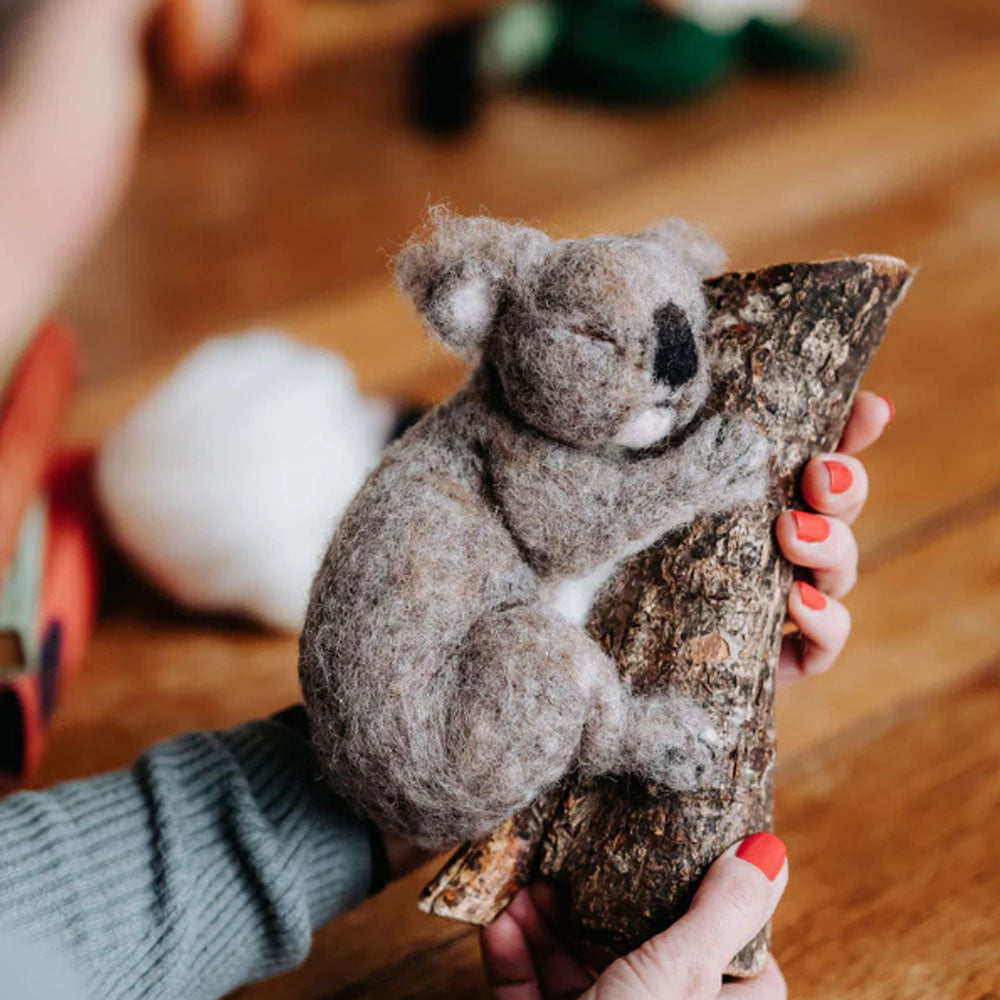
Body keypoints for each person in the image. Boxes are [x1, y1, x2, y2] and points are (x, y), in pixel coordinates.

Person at [0, 0, 893, 997]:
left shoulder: (489, 440)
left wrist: (683, 574)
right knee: (543, 653)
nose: (667, 386)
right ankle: (621, 730)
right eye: (606, 350)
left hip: (365, 761)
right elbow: (562, 532)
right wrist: (687, 484)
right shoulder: (501, 442)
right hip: (432, 731)